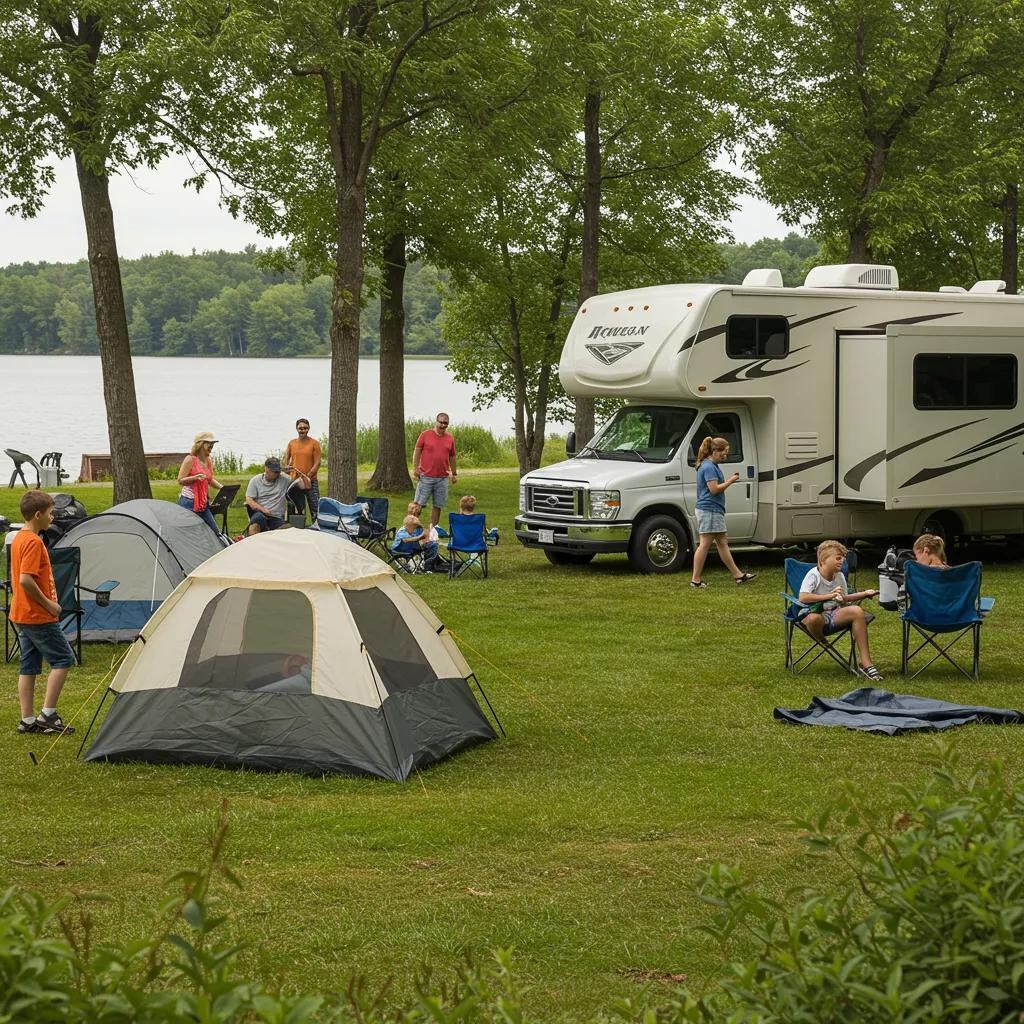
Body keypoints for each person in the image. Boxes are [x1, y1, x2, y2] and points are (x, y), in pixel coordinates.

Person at [9, 491, 76, 734]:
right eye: (50, 513)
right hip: (37, 615)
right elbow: (26, 580)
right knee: (63, 659)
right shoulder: (34, 542)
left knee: (28, 666)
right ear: (38, 515)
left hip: (21, 614)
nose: (52, 517)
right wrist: (50, 605)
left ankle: (27, 720)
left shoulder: (18, 538)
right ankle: (48, 714)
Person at [799, 539, 883, 681]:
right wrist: (830, 595)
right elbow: (803, 597)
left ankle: (866, 662)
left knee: (857, 610)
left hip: (834, 613)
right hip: (814, 614)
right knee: (813, 619)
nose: (842, 562)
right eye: (838, 558)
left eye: (843, 559)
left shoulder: (839, 576)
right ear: (824, 560)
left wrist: (865, 593)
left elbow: (843, 598)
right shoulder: (814, 575)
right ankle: (820, 639)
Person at [690, 436, 756, 588]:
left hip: (712, 510)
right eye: (724, 453)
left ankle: (738, 575)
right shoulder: (708, 467)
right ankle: (695, 580)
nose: (725, 456)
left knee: (722, 542)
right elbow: (714, 490)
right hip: (709, 510)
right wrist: (731, 480)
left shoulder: (710, 465)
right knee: (705, 544)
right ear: (714, 451)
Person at [412, 413, 458, 529]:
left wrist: (454, 473)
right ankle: (411, 528)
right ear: (436, 422)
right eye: (441, 422)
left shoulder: (450, 438)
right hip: (426, 476)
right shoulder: (425, 435)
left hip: (442, 478)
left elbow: (452, 457)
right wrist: (415, 468)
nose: (443, 425)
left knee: (438, 506)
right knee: (418, 505)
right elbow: (417, 451)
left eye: (445, 423)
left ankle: (432, 531)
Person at [177, 432, 224, 536]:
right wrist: (195, 477)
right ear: (201, 444)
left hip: (203, 503)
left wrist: (222, 487)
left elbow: (209, 479)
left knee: (215, 533)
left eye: (213, 444)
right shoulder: (190, 459)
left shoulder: (208, 460)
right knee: (189, 534)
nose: (211, 446)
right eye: (209, 443)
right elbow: (180, 480)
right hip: (188, 502)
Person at [244, 458, 296, 535]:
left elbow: (304, 485)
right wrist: (263, 510)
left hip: (277, 517)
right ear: (267, 470)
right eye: (275, 472)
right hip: (260, 514)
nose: (278, 473)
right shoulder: (255, 481)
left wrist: (297, 471)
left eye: (279, 471)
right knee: (255, 524)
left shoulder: (285, 479)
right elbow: (249, 500)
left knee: (288, 530)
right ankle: (253, 545)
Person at [284, 418, 321, 523]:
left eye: (305, 428)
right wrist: (286, 468)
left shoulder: (314, 443)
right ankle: (297, 527)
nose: (302, 430)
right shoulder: (292, 443)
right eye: (300, 428)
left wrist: (309, 475)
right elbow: (286, 459)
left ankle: (317, 528)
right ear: (296, 429)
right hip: (295, 481)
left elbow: (317, 462)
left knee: (315, 507)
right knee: (296, 507)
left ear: (308, 429)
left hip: (310, 480)